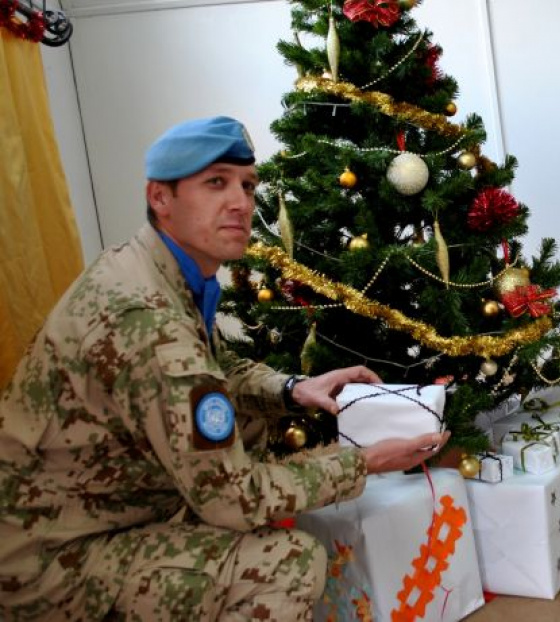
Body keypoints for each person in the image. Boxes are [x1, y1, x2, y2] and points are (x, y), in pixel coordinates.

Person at [0, 116, 449, 621]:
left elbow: (216, 366)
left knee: (252, 427)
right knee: (287, 563)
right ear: (160, 197)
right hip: (47, 561)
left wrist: (294, 389)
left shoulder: (154, 268)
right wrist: (364, 462)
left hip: (92, 514)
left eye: (248, 186)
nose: (240, 202)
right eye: (216, 182)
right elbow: (234, 498)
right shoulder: (147, 320)